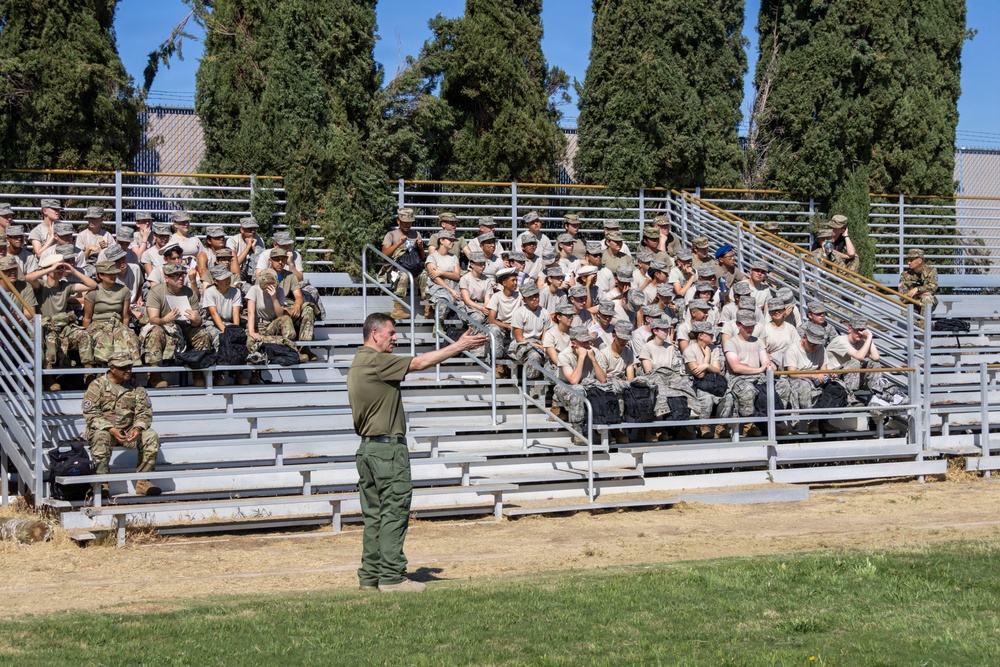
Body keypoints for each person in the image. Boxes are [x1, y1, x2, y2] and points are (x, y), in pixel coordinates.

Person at [348, 312, 487, 593]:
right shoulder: (376, 361)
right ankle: (392, 577)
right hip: (388, 451)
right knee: (394, 513)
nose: (395, 338)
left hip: (367, 450)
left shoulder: (358, 362)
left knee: (374, 515)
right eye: (391, 333)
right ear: (375, 334)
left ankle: (370, 577)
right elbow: (420, 363)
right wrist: (458, 346)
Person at [82, 352, 162, 497]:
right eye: (123, 367)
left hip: (129, 432)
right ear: (112, 368)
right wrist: (111, 429)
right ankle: (102, 482)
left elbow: (145, 412)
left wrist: (137, 428)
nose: (128, 370)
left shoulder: (135, 386)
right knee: (101, 436)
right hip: (105, 430)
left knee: (151, 436)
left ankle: (143, 481)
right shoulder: (97, 385)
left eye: (130, 366)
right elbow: (91, 414)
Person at [28, 251, 97, 390]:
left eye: (61, 268)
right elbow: (28, 278)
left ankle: (89, 375)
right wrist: (50, 269)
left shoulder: (65, 286)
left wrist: (72, 271)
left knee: (84, 336)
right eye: (57, 268)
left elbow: (92, 285)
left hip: (64, 328)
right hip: (46, 327)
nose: (60, 271)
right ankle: (48, 377)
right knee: (48, 338)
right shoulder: (41, 285)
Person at [143, 263, 213, 388]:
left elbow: (196, 322)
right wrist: (165, 319)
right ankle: (154, 374)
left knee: (203, 334)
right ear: (166, 278)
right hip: (164, 327)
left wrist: (196, 319)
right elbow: (153, 319)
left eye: (182, 275)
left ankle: (198, 371)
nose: (180, 278)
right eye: (175, 275)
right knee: (155, 332)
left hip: (184, 327)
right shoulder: (156, 292)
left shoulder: (189, 293)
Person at [719, 310, 774, 437]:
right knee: (748, 389)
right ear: (738, 325)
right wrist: (759, 370)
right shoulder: (731, 343)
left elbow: (765, 361)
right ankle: (748, 424)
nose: (750, 329)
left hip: (757, 377)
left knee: (780, 387)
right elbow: (736, 367)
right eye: (746, 326)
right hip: (737, 379)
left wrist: (770, 365)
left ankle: (775, 424)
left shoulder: (758, 341)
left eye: (752, 326)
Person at [83, 261, 141, 367]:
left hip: (116, 324)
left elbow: (125, 316)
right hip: (98, 324)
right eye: (110, 274)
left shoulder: (123, 290)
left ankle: (132, 367)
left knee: (131, 337)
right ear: (101, 275)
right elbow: (87, 317)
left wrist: (125, 330)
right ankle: (99, 367)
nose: (113, 276)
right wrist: (86, 335)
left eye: (115, 274)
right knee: (105, 338)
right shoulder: (93, 292)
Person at [780, 323, 830, 433]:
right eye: (812, 344)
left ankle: (823, 421)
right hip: (796, 381)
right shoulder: (792, 349)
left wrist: (825, 376)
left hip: (816, 381)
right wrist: (813, 375)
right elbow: (792, 374)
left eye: (817, 345)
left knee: (834, 387)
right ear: (804, 338)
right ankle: (810, 419)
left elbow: (824, 369)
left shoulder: (820, 349)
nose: (815, 347)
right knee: (805, 386)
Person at [200, 263, 243, 384]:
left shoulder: (236, 292)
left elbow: (236, 313)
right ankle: (220, 374)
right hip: (212, 323)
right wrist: (225, 331)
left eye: (228, 278)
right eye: (224, 279)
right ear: (216, 281)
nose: (227, 281)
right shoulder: (210, 292)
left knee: (241, 339)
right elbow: (214, 314)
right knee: (220, 339)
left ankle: (238, 371)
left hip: (229, 322)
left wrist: (235, 330)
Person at [683, 320, 725, 437]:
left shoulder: (714, 348)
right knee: (706, 397)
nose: (713, 336)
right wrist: (707, 358)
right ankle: (703, 426)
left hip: (713, 381)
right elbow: (699, 375)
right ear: (700, 335)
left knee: (728, 397)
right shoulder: (689, 350)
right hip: (696, 384)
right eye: (710, 334)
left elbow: (717, 370)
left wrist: (705, 366)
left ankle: (721, 426)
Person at [382, 208, 424, 320]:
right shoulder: (391, 235)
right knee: (404, 275)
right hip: (397, 267)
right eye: (404, 222)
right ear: (398, 221)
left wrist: (420, 248)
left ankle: (428, 309)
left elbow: (421, 258)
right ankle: (398, 309)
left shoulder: (416, 234)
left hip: (414, 267)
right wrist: (398, 243)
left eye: (409, 223)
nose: (407, 225)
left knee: (425, 275)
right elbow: (385, 254)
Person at [825, 315, 881, 393]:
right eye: (857, 330)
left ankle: (877, 393)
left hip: (850, 375)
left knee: (875, 364)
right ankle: (850, 395)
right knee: (855, 362)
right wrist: (868, 337)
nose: (860, 333)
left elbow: (876, 357)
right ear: (850, 329)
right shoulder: (840, 341)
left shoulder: (860, 342)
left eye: (862, 330)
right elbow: (860, 357)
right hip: (833, 375)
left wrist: (869, 337)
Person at [425, 230, 462, 323]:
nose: (452, 243)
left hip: (454, 284)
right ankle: (438, 325)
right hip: (438, 286)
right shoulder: (432, 257)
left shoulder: (453, 257)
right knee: (443, 300)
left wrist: (441, 272)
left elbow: (457, 275)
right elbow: (435, 278)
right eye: (450, 240)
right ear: (441, 241)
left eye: (453, 240)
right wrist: (451, 290)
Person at [0, 255, 36, 322]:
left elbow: (30, 312)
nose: (13, 272)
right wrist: (8, 319)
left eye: (15, 269)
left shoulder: (25, 286)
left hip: (20, 324)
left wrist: (20, 317)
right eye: (8, 270)